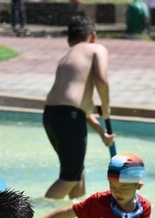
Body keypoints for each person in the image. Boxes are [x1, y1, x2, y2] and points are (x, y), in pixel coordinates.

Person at [43, 15, 116, 200]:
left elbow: (80, 108)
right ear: (93, 36)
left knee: (77, 173)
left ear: (69, 40)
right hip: (68, 116)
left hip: (51, 115)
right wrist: (106, 109)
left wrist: (101, 132)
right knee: (70, 177)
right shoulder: (96, 49)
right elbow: (102, 79)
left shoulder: (68, 57)